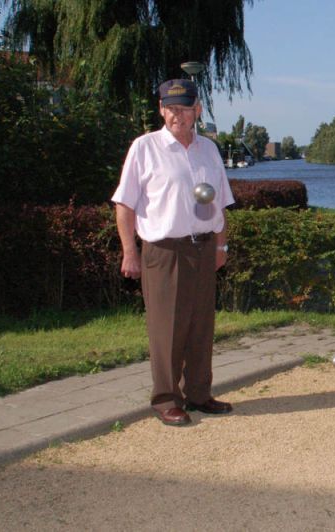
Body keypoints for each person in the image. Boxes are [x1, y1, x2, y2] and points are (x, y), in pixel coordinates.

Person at [112, 79, 235, 426]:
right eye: (171, 108)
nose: (177, 115)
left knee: (200, 326)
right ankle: (166, 398)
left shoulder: (209, 150)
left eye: (184, 107)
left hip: (203, 247)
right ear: (161, 109)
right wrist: (129, 252)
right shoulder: (145, 147)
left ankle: (198, 393)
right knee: (167, 329)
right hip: (164, 251)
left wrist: (221, 244)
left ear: (197, 110)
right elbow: (124, 204)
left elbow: (221, 202)